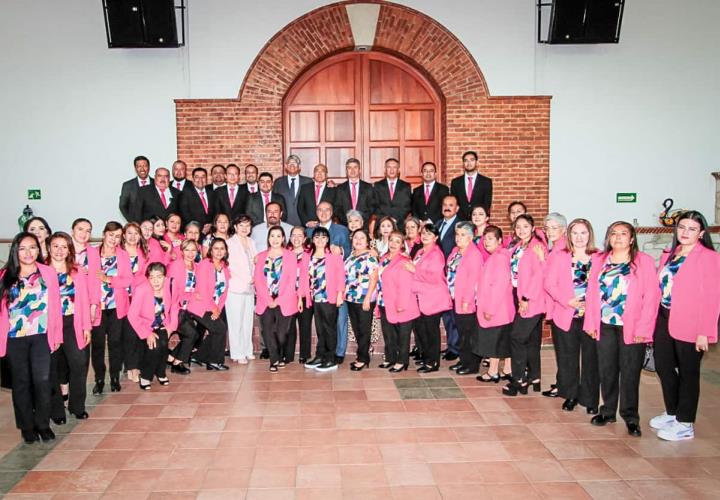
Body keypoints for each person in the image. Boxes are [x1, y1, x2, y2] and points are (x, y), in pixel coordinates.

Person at [584, 221, 659, 437]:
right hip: (605, 324)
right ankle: (607, 411)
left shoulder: (643, 262)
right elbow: (591, 294)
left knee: (629, 372)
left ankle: (630, 416)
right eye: (613, 233)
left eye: (623, 233)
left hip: (632, 326)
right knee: (606, 370)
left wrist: (644, 329)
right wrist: (590, 323)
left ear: (632, 238)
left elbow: (651, 298)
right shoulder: (599, 260)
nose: (618, 237)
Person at [651, 211, 720, 441]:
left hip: (691, 322)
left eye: (691, 229)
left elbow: (712, 298)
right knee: (663, 366)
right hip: (664, 317)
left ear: (701, 233)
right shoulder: (671, 254)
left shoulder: (709, 257)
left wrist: (705, 332)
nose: (685, 232)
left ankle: (685, 422)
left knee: (689, 373)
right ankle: (672, 412)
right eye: (682, 227)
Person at [0, 232, 63, 443]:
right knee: (21, 382)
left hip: (41, 336)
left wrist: (57, 335)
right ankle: (26, 426)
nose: (28, 252)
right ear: (16, 251)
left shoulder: (48, 273)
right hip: (14, 338)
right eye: (23, 248)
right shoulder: (5, 276)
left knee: (43, 380)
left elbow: (55, 307)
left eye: (33, 247)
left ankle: (43, 424)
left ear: (39, 249)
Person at [544, 218, 600, 414]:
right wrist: (567, 300)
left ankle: (591, 399)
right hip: (566, 313)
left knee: (591, 359)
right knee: (568, 358)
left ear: (589, 235)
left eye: (583, 233)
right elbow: (549, 284)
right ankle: (571, 395)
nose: (579, 237)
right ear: (569, 235)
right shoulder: (560, 256)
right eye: (575, 233)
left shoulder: (600, 257)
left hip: (591, 317)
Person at [46, 232, 91, 423]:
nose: (59, 250)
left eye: (64, 246)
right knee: (52, 368)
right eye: (55, 246)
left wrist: (87, 326)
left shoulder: (77, 271)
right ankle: (56, 411)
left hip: (74, 322)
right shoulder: (42, 271)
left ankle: (77, 406)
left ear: (69, 250)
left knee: (79, 364)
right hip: (50, 326)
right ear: (49, 248)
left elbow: (84, 300)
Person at [503, 214, 546, 396]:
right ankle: (534, 377)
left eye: (525, 226)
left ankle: (519, 379)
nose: (521, 230)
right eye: (518, 227)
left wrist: (526, 298)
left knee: (517, 337)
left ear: (533, 227)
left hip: (531, 298)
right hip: (518, 294)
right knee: (531, 340)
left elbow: (539, 275)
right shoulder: (519, 245)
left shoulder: (537, 246)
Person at [88, 222, 132, 395]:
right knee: (98, 345)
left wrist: (108, 279)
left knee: (115, 343)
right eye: (111, 235)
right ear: (104, 234)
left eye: (118, 236)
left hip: (116, 306)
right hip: (97, 307)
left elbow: (127, 280)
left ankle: (114, 377)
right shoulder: (91, 253)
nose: (114, 239)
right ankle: (99, 379)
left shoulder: (123, 255)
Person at [253, 226, 301, 372]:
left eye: (278, 236)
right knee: (267, 330)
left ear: (283, 238)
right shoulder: (261, 256)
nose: (275, 239)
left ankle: (279, 354)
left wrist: (278, 300)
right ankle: (274, 360)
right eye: (272, 236)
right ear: (268, 238)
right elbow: (258, 280)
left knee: (281, 334)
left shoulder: (290, 256)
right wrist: (268, 300)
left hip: (285, 300)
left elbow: (291, 281)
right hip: (264, 299)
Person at [406, 224, 452, 372]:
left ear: (436, 238)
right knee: (423, 330)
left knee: (432, 331)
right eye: (424, 233)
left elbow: (433, 277)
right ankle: (427, 357)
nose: (425, 236)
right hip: (420, 296)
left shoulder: (437, 254)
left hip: (433, 298)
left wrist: (415, 269)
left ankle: (433, 362)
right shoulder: (420, 250)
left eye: (429, 234)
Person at [300, 227, 346, 372]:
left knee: (329, 328)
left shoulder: (333, 256)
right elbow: (302, 278)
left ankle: (331, 359)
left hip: (329, 297)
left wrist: (340, 295)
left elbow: (341, 277)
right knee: (320, 328)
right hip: (314, 298)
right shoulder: (308, 256)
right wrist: (301, 298)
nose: (320, 240)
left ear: (328, 239)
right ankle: (320, 355)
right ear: (312, 240)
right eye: (317, 237)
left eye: (323, 237)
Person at [128, 262, 177, 390]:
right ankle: (145, 376)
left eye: (159, 277)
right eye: (152, 277)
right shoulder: (142, 289)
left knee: (163, 343)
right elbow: (132, 315)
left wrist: (171, 327)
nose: (155, 281)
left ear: (165, 277)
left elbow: (175, 307)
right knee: (154, 346)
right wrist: (147, 333)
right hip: (144, 325)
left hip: (163, 323)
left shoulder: (170, 285)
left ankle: (161, 372)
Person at [376, 231, 420, 372]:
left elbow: (405, 286)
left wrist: (401, 304)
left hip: (402, 303)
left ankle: (402, 361)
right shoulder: (384, 258)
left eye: (397, 241)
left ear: (402, 245)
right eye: (391, 240)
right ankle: (390, 358)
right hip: (385, 302)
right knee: (388, 333)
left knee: (403, 335)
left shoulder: (404, 261)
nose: (393, 244)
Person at [475, 226, 514, 383]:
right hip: (501, 308)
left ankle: (492, 372)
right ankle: (507, 369)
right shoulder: (497, 256)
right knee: (502, 340)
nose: (486, 242)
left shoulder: (499, 258)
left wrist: (490, 309)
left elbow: (498, 286)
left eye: (490, 238)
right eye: (484, 239)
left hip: (497, 308)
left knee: (494, 341)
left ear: (499, 241)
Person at [186, 238, 231, 371]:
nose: (219, 251)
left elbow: (224, 292)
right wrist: (213, 309)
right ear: (211, 250)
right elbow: (203, 290)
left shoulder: (225, 267)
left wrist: (218, 310)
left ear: (226, 251)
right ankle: (214, 361)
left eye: (222, 248)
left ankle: (198, 356)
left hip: (214, 307)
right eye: (216, 248)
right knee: (220, 329)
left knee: (217, 329)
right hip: (200, 305)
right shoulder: (205, 264)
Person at [446, 221, 484, 376]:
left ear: (470, 237)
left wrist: (467, 300)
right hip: (455, 297)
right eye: (457, 234)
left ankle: (472, 364)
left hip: (466, 300)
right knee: (461, 332)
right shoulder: (456, 251)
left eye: (463, 235)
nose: (458, 238)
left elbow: (473, 280)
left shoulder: (474, 254)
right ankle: (463, 360)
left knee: (468, 334)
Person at [119, 222, 150, 383]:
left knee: (138, 330)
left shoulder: (143, 252)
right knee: (128, 333)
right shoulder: (119, 252)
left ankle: (137, 364)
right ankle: (130, 366)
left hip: (138, 296)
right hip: (122, 296)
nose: (132, 236)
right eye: (129, 233)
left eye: (136, 233)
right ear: (123, 235)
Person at [344, 229, 379, 371]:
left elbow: (374, 278)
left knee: (364, 329)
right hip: (351, 298)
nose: (358, 240)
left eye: (362, 238)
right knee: (357, 328)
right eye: (356, 237)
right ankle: (364, 353)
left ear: (368, 242)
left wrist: (367, 298)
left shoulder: (370, 257)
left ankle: (362, 358)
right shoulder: (351, 256)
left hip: (365, 298)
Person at [225, 215, 257, 364]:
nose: (245, 229)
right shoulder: (229, 243)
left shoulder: (251, 242)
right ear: (235, 227)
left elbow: (256, 262)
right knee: (235, 322)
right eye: (241, 225)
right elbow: (229, 266)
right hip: (235, 287)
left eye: (248, 226)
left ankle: (247, 350)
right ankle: (237, 353)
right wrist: (245, 278)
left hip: (250, 287)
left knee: (247, 321)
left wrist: (254, 278)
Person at [166, 239, 199, 373]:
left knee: (193, 334)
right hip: (175, 308)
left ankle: (171, 357)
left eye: (193, 250)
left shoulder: (196, 266)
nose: (190, 253)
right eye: (187, 250)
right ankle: (177, 362)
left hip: (187, 308)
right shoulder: (175, 266)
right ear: (182, 251)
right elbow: (172, 290)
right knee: (191, 334)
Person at [436, 195, 460, 361]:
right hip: (439, 276)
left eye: (451, 205)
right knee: (446, 314)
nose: (447, 208)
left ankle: (456, 348)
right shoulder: (437, 224)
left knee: (454, 315)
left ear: (457, 208)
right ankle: (451, 345)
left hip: (454, 276)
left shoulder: (462, 226)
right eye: (445, 205)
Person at [287, 227, 313, 363]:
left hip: (305, 295)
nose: (296, 238)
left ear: (304, 238)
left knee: (305, 325)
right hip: (289, 296)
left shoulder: (310, 255)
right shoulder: (285, 253)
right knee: (289, 327)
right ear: (290, 238)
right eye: (293, 235)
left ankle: (305, 354)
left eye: (299, 235)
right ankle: (288, 355)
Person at [449, 151, 493, 220]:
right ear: (463, 163)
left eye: (472, 160)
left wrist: (478, 218)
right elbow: (454, 203)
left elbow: (486, 204)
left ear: (477, 162)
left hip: (479, 221)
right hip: (460, 221)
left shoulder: (486, 182)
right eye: (466, 161)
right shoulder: (455, 182)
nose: (469, 163)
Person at [335, 158, 378, 226]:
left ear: (359, 170)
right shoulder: (340, 188)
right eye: (349, 168)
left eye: (355, 167)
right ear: (346, 171)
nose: (352, 170)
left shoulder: (368, 187)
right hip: (345, 225)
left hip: (363, 226)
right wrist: (349, 221)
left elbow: (372, 207)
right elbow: (337, 208)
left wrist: (360, 220)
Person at [273, 154, 312, 227]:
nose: (292, 165)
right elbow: (274, 202)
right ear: (286, 166)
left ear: (299, 167)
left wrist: (329, 184)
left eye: (295, 163)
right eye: (289, 163)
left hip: (304, 223)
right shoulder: (278, 182)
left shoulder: (308, 182)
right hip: (284, 224)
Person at [374, 158, 412, 230]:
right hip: (382, 225)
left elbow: (407, 207)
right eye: (389, 167)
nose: (392, 170)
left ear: (398, 170)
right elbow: (375, 206)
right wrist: (386, 220)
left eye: (394, 167)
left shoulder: (406, 186)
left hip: (399, 225)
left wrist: (395, 219)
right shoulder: (377, 185)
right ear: (385, 170)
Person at [297, 163, 336, 227]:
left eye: (322, 171)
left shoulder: (333, 190)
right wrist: (306, 222)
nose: (319, 173)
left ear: (326, 175)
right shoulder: (305, 188)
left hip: (326, 226)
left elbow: (335, 208)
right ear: (313, 174)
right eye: (317, 171)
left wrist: (325, 221)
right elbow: (300, 208)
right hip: (308, 226)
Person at [180, 167, 217, 233]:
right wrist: (198, 228)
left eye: (203, 177)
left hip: (210, 231)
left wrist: (211, 225)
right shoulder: (186, 193)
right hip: (194, 232)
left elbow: (215, 211)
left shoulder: (212, 193)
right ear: (193, 179)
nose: (200, 179)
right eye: (197, 177)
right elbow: (185, 214)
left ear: (206, 179)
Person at [119, 155, 152, 222]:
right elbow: (122, 206)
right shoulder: (127, 186)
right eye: (139, 166)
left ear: (149, 167)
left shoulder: (156, 183)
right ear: (135, 168)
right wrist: (132, 222)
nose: (142, 169)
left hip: (153, 227)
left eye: (145, 166)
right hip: (136, 226)